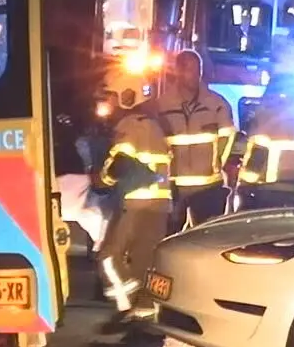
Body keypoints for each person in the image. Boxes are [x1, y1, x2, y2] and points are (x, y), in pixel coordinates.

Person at [96, 91, 174, 329]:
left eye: (107, 97)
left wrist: (102, 179)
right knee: (144, 260)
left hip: (135, 202)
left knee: (109, 257)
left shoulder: (128, 126)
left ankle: (126, 303)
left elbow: (118, 166)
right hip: (160, 204)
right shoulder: (158, 126)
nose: (104, 104)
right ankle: (145, 312)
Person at [157, 50, 238, 229]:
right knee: (170, 238)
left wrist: (218, 166)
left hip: (208, 187)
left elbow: (229, 138)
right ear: (177, 71)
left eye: (197, 69)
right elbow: (156, 144)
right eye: (188, 69)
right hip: (173, 187)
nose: (194, 74)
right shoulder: (162, 106)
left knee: (206, 238)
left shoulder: (216, 104)